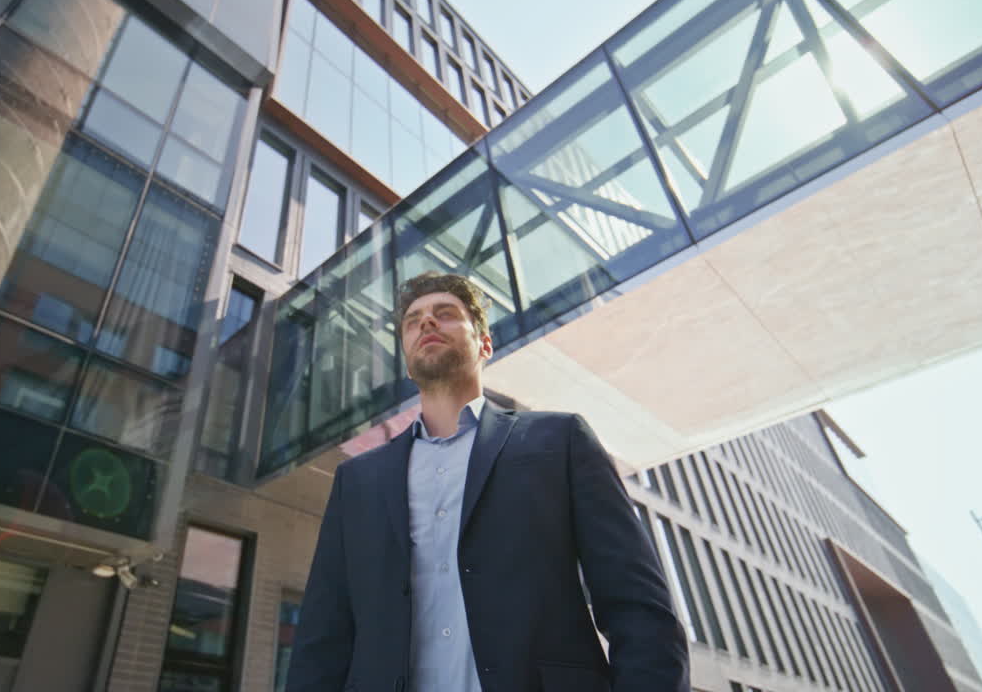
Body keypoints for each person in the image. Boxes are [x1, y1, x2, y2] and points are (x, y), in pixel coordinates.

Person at [286, 271, 689, 692]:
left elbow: (639, 609)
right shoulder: (357, 480)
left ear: (485, 344)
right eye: (413, 320)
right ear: (406, 356)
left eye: (445, 314)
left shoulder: (561, 441)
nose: (426, 322)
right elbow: (322, 640)